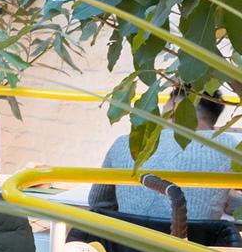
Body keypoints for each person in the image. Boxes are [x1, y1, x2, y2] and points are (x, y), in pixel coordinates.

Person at [89, 95, 237, 222]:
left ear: (173, 111)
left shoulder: (125, 143)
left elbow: (99, 204)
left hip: (129, 250)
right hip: (196, 251)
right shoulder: (228, 145)